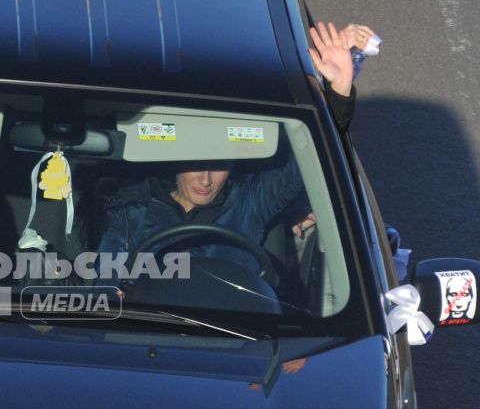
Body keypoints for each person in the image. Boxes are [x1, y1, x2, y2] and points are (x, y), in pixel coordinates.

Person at [98, 21, 374, 274]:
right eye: (195, 163)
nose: (205, 180)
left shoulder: (248, 203)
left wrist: (338, 90)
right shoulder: (131, 211)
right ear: (176, 161)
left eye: (218, 165)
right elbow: (107, 284)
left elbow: (310, 158)